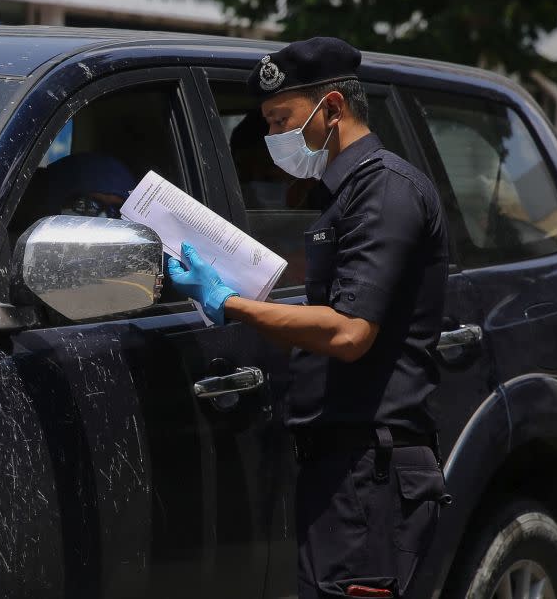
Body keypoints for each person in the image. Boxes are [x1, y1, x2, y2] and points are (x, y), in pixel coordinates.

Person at [166, 37, 450, 598]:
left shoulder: (384, 194)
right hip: (345, 471)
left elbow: (348, 332)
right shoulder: (342, 195)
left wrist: (229, 303)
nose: (273, 138)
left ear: (334, 109)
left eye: (281, 120)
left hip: (371, 471)